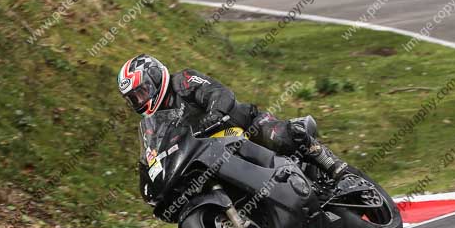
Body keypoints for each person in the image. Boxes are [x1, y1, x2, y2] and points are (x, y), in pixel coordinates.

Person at [117, 54, 350, 180]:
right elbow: (154, 150)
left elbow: (219, 92)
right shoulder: (152, 123)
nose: (140, 100)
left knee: (279, 137)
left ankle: (324, 158)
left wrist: (215, 112)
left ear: (156, 77)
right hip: (208, 153)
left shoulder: (183, 81)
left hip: (243, 125)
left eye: (142, 91)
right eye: (134, 98)